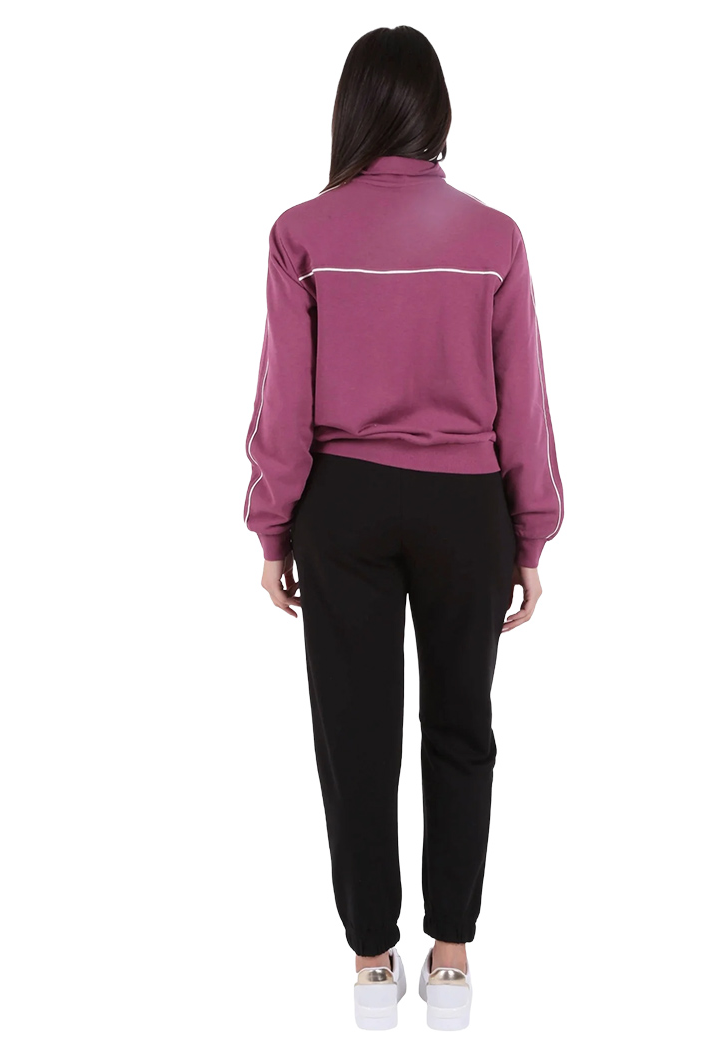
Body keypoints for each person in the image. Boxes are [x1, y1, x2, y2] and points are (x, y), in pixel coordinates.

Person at [242, 25, 564, 1031]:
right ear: (438, 112)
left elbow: (284, 402)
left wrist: (272, 527)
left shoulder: (302, 234)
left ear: (352, 110)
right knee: (461, 728)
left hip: (344, 506)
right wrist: (531, 531)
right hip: (467, 508)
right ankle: (452, 956)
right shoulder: (494, 238)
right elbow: (525, 400)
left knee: (355, 733)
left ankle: (372, 961)